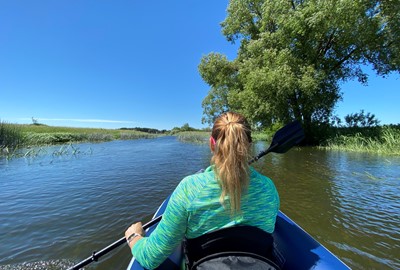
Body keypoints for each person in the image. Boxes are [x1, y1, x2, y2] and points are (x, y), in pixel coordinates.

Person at [125, 112, 280, 269]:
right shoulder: (268, 188)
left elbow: (150, 257)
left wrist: (134, 236)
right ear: (249, 145)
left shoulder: (190, 188)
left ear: (212, 144)